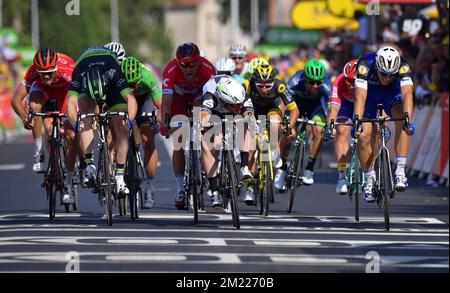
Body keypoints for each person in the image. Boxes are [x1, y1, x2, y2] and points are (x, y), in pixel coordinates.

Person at [66, 46, 138, 197]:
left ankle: (119, 176)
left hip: (111, 85)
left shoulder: (113, 69)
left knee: (121, 126)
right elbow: (71, 102)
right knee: (85, 117)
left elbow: (130, 99)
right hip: (88, 85)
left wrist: (129, 120)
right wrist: (74, 123)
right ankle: (89, 164)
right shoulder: (79, 71)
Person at [10, 48, 77, 204]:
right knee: (38, 112)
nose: (46, 76)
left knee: (70, 135)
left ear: (56, 68)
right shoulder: (33, 71)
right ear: (36, 69)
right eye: (42, 73)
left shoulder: (67, 69)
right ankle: (39, 152)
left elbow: (80, 95)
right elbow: (15, 100)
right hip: (43, 91)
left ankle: (68, 180)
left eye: (50, 72)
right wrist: (25, 118)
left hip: (65, 92)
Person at [354, 46, 414, 202]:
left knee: (402, 120)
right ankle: (369, 178)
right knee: (363, 135)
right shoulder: (365, 64)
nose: (387, 78)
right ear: (377, 67)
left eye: (391, 75)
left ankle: (400, 171)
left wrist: (408, 119)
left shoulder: (403, 65)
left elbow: (407, 93)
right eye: (383, 74)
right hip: (369, 98)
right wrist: (357, 120)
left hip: (390, 96)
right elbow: (360, 96)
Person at [160, 42, 216, 209]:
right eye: (184, 64)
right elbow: (166, 102)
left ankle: (209, 173)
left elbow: (213, 98)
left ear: (199, 60)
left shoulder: (208, 68)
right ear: (178, 63)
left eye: (193, 63)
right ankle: (179, 189)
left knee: (207, 136)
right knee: (178, 142)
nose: (189, 68)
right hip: (178, 101)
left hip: (200, 99)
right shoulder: (170, 70)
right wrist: (165, 123)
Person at [244, 64, 299, 204]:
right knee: (251, 148)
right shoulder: (247, 85)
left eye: (268, 86)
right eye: (260, 86)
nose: (264, 89)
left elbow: (294, 110)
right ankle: (250, 188)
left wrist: (289, 127)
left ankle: (273, 150)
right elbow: (238, 106)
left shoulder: (280, 86)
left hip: (271, 109)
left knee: (275, 121)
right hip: (252, 111)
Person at [200, 76, 255, 208]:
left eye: (240, 104)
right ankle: (215, 191)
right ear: (224, 101)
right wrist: (205, 125)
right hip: (214, 112)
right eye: (236, 105)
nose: (239, 106)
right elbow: (204, 116)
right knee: (207, 142)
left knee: (246, 126)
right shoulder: (210, 95)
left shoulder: (241, 94)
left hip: (230, 111)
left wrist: (247, 118)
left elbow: (248, 112)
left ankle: (244, 166)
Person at [283, 60, 332, 187]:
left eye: (318, 82)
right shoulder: (294, 81)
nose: (315, 86)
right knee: (288, 134)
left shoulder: (327, 86)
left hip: (315, 108)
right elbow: (285, 104)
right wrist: (286, 123)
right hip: (295, 107)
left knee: (318, 130)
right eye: (311, 82)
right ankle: (282, 167)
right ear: (305, 79)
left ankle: (309, 168)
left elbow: (331, 109)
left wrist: (328, 126)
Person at [121, 56, 162, 208]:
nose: (134, 86)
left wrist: (159, 118)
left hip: (145, 100)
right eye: (130, 84)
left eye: (136, 83)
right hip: (124, 98)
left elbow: (161, 105)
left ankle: (150, 187)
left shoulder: (147, 77)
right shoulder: (118, 78)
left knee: (147, 139)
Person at [328, 59, 358, 194]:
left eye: (354, 82)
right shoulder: (339, 82)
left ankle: (371, 172)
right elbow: (334, 109)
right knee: (341, 130)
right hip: (346, 105)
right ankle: (342, 176)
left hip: (365, 102)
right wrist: (332, 126)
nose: (351, 86)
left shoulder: (370, 81)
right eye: (348, 82)